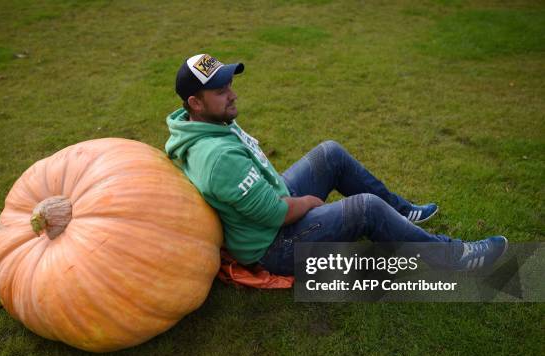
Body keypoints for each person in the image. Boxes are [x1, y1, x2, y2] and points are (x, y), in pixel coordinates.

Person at [165, 54, 508, 276]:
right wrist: (309, 203)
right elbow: (274, 215)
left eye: (229, 84)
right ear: (195, 103)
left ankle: (401, 216)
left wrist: (292, 199)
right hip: (273, 244)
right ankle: (452, 258)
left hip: (273, 202)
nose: (233, 94)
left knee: (330, 153)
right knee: (365, 209)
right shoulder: (217, 157)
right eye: (221, 91)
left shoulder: (206, 122)